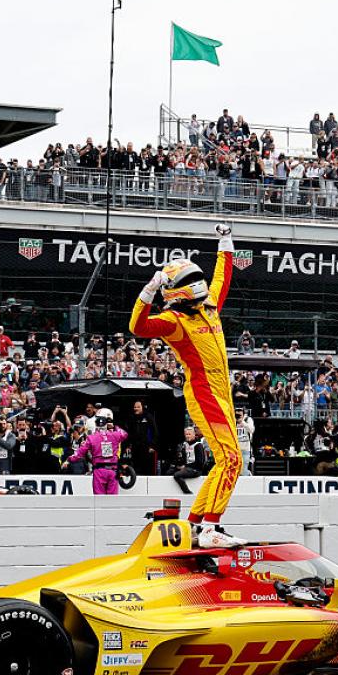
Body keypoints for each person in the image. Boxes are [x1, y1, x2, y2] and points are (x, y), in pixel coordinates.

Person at [129, 223, 244, 548]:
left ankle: (195, 526)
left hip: (223, 395)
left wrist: (225, 240)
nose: (200, 284)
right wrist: (149, 290)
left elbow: (223, 275)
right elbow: (137, 327)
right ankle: (211, 529)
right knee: (232, 461)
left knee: (226, 462)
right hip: (205, 394)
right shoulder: (174, 322)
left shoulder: (209, 308)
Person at [64, 412, 127, 495]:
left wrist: (68, 460)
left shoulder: (91, 438)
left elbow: (79, 453)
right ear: (106, 424)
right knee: (112, 501)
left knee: (99, 501)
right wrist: (115, 427)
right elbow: (124, 434)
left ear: (95, 425)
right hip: (112, 471)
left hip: (99, 471)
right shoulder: (115, 435)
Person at [171, 426, 209, 494]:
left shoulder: (198, 445)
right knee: (169, 471)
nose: (188, 436)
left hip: (196, 469)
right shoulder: (184, 444)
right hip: (187, 467)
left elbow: (199, 462)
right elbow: (182, 458)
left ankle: (187, 492)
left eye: (189, 434)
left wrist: (185, 466)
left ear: (194, 435)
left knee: (177, 475)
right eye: (186, 434)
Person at [234, 408, 254, 476]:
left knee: (243, 470)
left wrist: (242, 422)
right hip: (235, 450)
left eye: (240, 412)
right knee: (235, 469)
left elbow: (251, 430)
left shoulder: (248, 419)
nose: (238, 414)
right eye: (237, 412)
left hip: (246, 449)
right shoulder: (233, 420)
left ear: (243, 413)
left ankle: (248, 475)